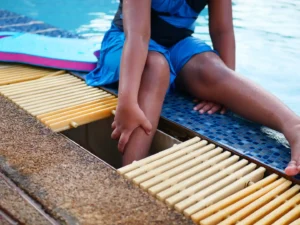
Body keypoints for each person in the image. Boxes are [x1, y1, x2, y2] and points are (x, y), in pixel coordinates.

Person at [86, 0, 300, 176]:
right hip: (126, 42)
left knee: (212, 67)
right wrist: (127, 101)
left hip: (177, 44)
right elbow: (139, 36)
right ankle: (128, 174)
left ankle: (294, 127)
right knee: (155, 66)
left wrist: (221, 92)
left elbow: (222, 30)